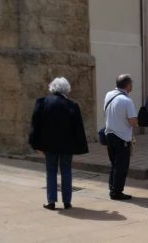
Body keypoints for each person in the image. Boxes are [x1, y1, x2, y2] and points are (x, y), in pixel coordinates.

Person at [29, 77, 88, 210]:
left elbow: (35, 125)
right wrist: (81, 146)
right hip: (67, 146)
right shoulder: (72, 105)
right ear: (67, 89)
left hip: (49, 145)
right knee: (66, 171)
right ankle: (67, 201)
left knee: (51, 171)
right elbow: (78, 128)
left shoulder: (42, 102)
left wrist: (34, 143)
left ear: (52, 88)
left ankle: (51, 201)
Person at [104, 74, 137, 200]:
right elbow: (133, 121)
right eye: (131, 84)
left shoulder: (108, 95)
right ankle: (117, 192)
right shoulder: (127, 101)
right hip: (122, 137)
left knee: (114, 163)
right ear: (128, 85)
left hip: (109, 134)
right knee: (121, 165)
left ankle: (112, 187)